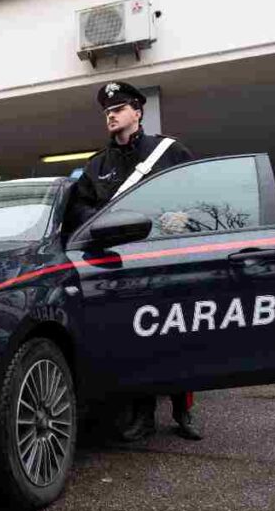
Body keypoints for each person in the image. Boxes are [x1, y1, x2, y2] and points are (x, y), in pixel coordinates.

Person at [65, 81, 202, 442]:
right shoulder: (98, 165)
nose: (111, 115)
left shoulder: (168, 151)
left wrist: (184, 216)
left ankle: (184, 409)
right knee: (138, 339)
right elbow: (79, 207)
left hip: (168, 258)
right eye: (107, 112)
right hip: (126, 265)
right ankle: (143, 414)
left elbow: (197, 192)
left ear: (137, 112)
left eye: (118, 109)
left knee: (176, 334)